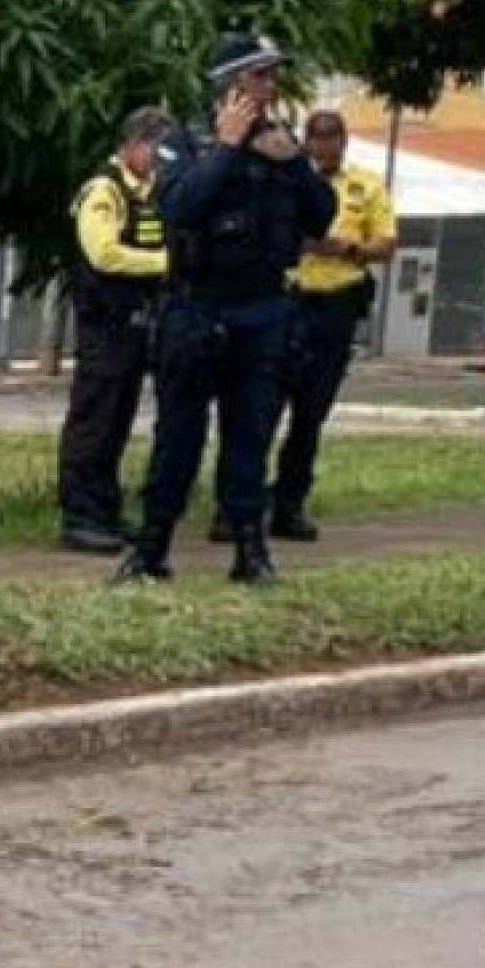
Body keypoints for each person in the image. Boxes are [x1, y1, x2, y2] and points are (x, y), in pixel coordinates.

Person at [119, 33, 334, 586]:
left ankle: (250, 550)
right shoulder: (184, 142)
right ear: (231, 85)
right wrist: (227, 148)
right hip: (197, 306)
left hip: (262, 309)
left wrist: (295, 167)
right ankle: (151, 550)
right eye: (260, 75)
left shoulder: (282, 142)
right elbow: (180, 207)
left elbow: (320, 219)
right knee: (178, 437)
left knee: (250, 435)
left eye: (272, 75)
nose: (271, 85)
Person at [267, 108, 398, 543]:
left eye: (331, 138)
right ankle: (239, 506)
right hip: (289, 301)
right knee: (262, 406)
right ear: (305, 141)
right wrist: (314, 244)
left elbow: (386, 242)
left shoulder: (365, 184)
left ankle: (289, 503)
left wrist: (353, 250)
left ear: (343, 141)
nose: (324, 146)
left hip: (337, 307)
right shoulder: (287, 181)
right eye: (316, 138)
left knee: (311, 412)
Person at [56, 107, 175, 555]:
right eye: (156, 151)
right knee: (94, 419)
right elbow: (104, 253)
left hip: (135, 324)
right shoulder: (104, 191)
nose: (161, 162)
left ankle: (104, 510)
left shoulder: (150, 192)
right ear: (134, 145)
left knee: (118, 422)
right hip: (104, 325)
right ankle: (79, 516)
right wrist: (169, 265)